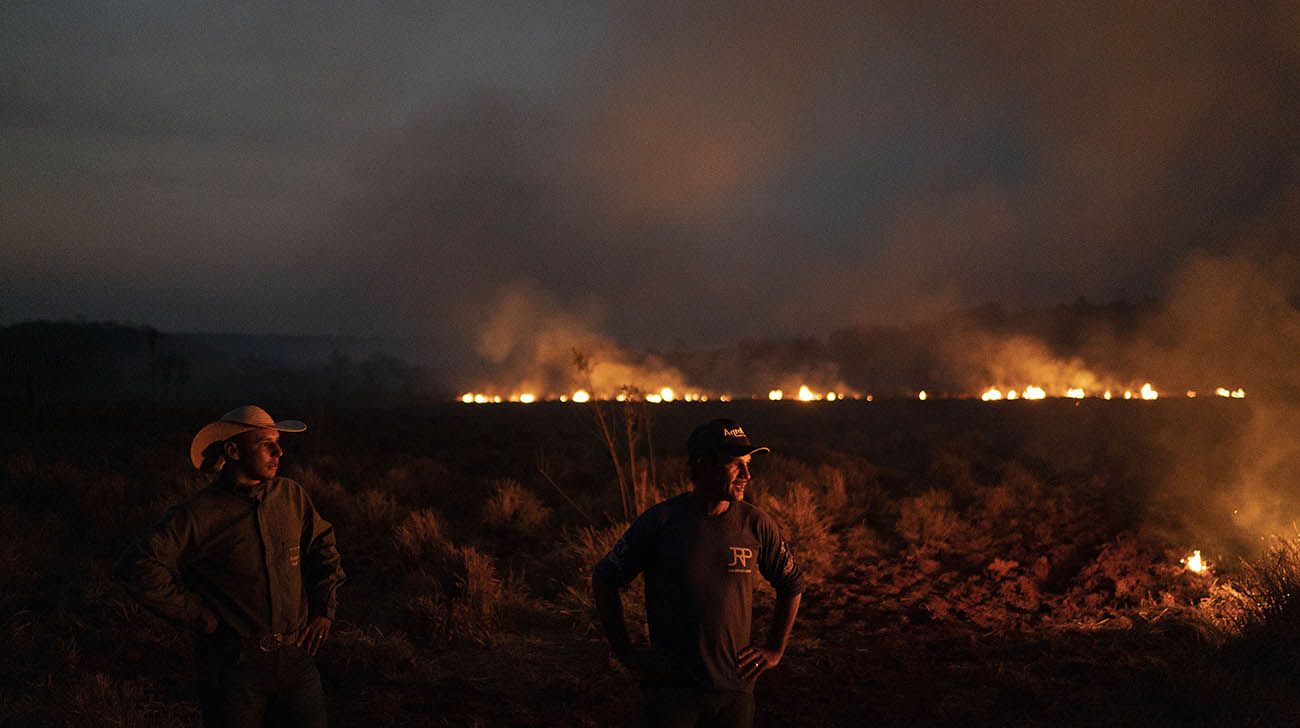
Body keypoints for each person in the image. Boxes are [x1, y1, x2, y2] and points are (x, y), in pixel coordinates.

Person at [115, 405, 345, 727]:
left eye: (278, 442)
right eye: (266, 443)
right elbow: (137, 564)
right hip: (235, 670)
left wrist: (324, 609)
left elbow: (323, 545)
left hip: (296, 661)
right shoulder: (200, 514)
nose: (279, 451)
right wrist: (197, 615)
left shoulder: (290, 496)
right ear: (233, 450)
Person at [593, 418, 804, 727]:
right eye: (736, 465)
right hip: (672, 695)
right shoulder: (661, 522)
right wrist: (625, 652)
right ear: (704, 465)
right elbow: (605, 578)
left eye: (748, 464)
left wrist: (774, 649)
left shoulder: (756, 525)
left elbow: (792, 582)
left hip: (735, 692)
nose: (747, 474)